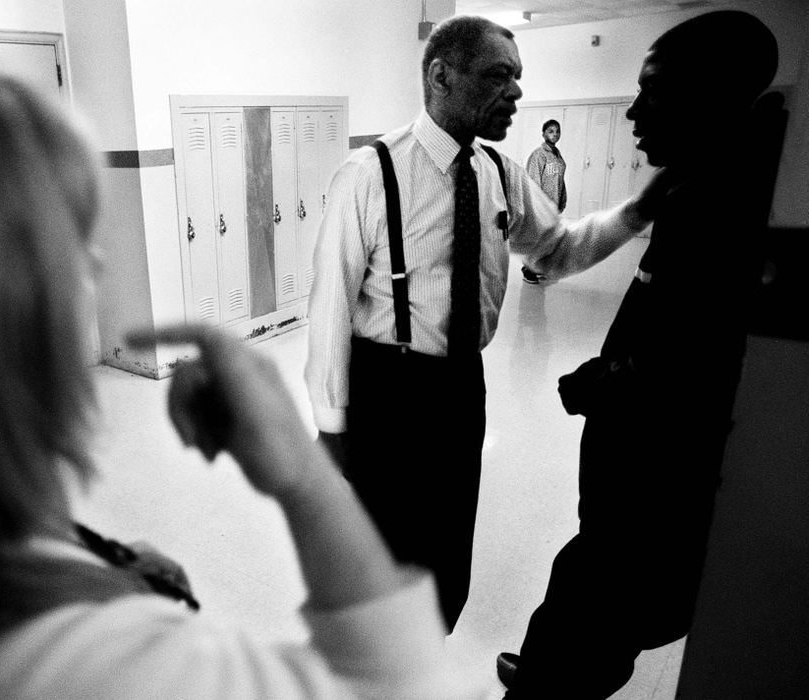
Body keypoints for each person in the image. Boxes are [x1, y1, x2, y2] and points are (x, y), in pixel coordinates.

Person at [0, 61, 486, 699]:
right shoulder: (102, 668)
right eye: (74, 244)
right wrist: (302, 476)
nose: (100, 265)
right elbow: (405, 684)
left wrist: (99, 558)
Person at [306, 14, 669, 633]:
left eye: (518, 78)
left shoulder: (500, 174)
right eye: (499, 76)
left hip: (459, 388)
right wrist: (332, 429)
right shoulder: (370, 176)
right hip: (385, 391)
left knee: (446, 540)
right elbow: (329, 311)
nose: (516, 93)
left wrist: (636, 213)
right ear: (441, 77)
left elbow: (558, 247)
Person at [497, 11, 782, 698]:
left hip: (653, 493)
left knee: (590, 606)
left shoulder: (725, 202)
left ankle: (546, 680)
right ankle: (552, 667)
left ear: (710, 98)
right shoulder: (700, 184)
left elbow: (696, 359)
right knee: (587, 611)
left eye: (651, 91)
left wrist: (600, 381)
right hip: (630, 492)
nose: (632, 111)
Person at [521, 119, 567, 284]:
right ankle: (528, 270)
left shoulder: (557, 155)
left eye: (557, 131)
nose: (554, 134)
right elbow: (533, 182)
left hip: (552, 205)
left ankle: (538, 268)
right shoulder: (538, 155)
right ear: (543, 133)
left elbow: (560, 180)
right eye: (550, 131)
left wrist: (562, 201)